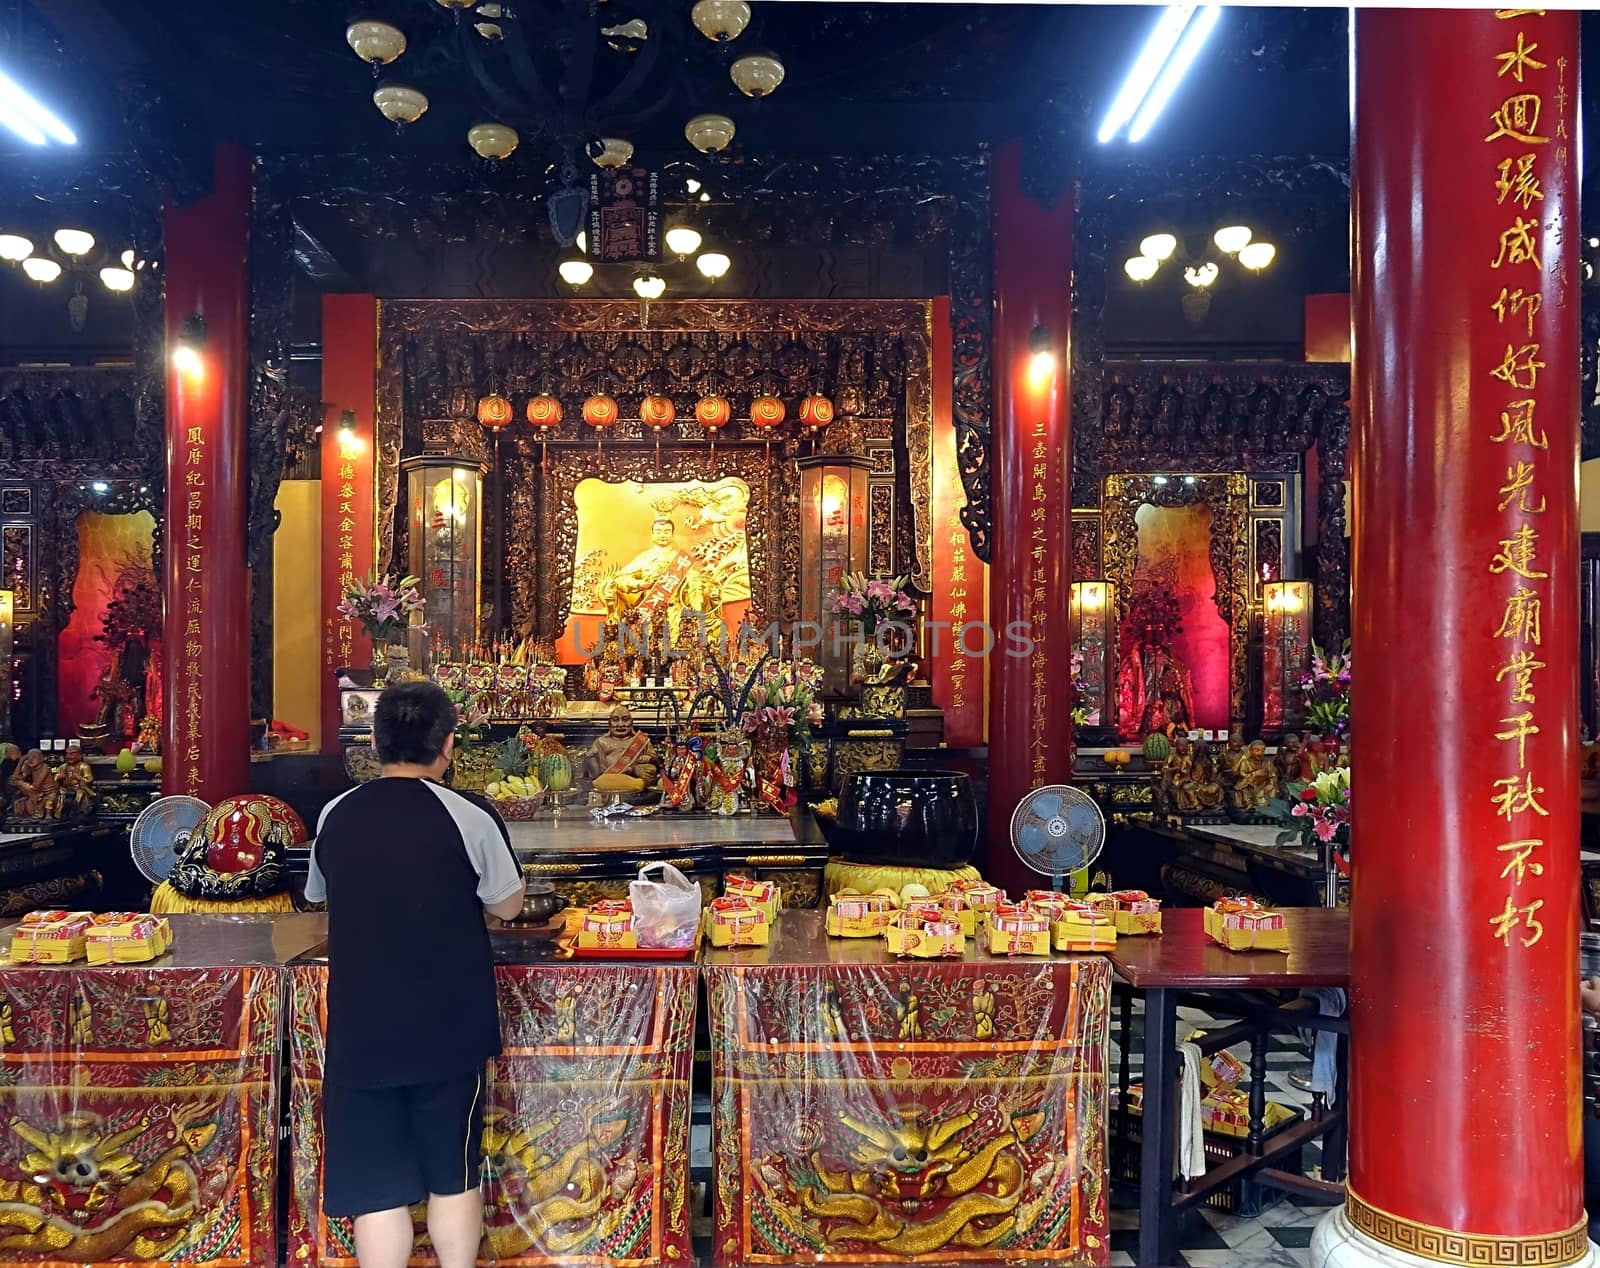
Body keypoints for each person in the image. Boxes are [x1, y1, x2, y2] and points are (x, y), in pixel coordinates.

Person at [304, 681, 526, 1268]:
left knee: (377, 1191)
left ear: (375, 743)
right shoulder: (469, 815)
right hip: (448, 1029)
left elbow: (319, 894)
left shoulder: (335, 814)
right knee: (452, 1175)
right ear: (447, 745)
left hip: (363, 1031)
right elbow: (508, 905)